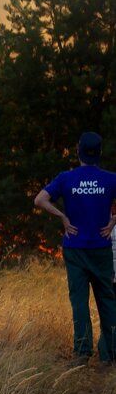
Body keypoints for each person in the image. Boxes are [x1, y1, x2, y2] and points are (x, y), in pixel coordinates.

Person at [34, 131, 116, 362]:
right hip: (100, 247)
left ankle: (82, 353)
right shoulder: (111, 179)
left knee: (79, 302)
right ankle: (110, 354)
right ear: (99, 153)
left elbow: (39, 200)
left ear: (79, 151)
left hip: (75, 248)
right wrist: (112, 222)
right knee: (107, 301)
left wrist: (62, 217)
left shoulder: (66, 178)